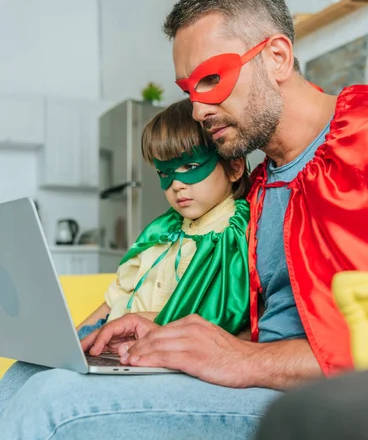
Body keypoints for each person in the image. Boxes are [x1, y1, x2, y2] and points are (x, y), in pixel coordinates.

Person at [0, 0, 368, 440]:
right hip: (254, 377)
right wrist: (162, 332)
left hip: (300, 397)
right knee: (33, 370)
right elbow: (269, 320)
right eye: (190, 89)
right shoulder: (261, 185)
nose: (199, 107)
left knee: (57, 410)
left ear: (277, 57)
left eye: (211, 79)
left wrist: (243, 361)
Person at [79, 98, 251, 342]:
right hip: (107, 334)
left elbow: (216, 320)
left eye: (191, 166)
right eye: (164, 172)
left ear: (234, 168)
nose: (177, 185)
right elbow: (115, 298)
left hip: (149, 346)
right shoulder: (161, 229)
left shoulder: (235, 234)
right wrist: (78, 337)